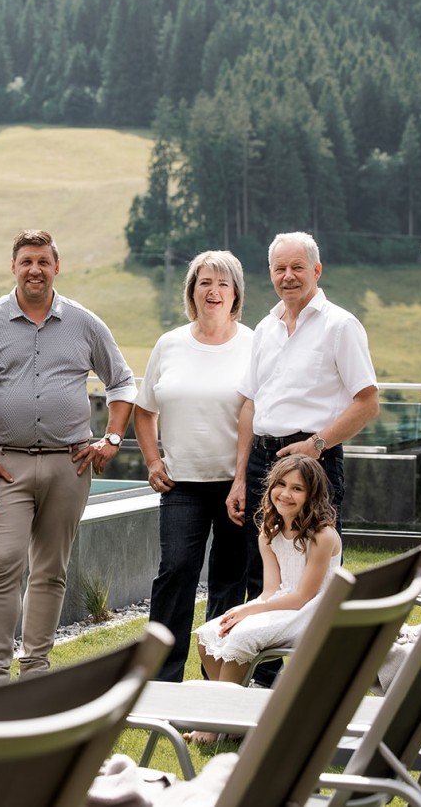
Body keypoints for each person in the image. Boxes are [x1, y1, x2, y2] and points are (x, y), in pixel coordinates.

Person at [0, 229, 137, 687]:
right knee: (2, 565)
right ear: (13, 267)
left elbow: (121, 382)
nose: (34, 269)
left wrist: (112, 439)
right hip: (3, 465)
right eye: (26, 262)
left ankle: (35, 670)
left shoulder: (84, 323)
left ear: (56, 267)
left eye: (43, 261)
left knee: (51, 569)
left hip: (69, 465)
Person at [227, 231, 378, 684]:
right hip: (263, 458)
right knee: (263, 566)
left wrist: (316, 444)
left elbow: (367, 402)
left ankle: (322, 679)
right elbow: (250, 405)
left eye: (297, 267)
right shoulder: (266, 328)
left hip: (314, 461)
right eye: (279, 268)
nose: (288, 276)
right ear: (270, 274)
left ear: (317, 270)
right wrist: (240, 477)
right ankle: (262, 680)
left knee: (315, 570)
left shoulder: (340, 325)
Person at [134, 250, 254, 682]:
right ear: (192, 291)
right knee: (176, 573)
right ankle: (161, 677)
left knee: (228, 581)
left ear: (236, 292)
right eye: (205, 282)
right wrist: (152, 460)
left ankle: (218, 676)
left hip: (238, 484)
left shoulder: (253, 344)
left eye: (223, 283)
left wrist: (243, 479)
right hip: (181, 484)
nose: (213, 291)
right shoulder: (170, 344)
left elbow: (259, 413)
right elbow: (143, 410)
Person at [186, 454, 341, 742]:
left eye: (297, 488)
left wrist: (251, 613)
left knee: (240, 639)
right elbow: (271, 590)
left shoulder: (323, 535)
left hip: (314, 611)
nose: (286, 494)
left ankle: (213, 726)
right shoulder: (269, 533)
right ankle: (236, 721)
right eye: (281, 484)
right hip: (283, 603)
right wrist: (246, 608)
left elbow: (304, 596)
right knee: (209, 634)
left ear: (312, 494)